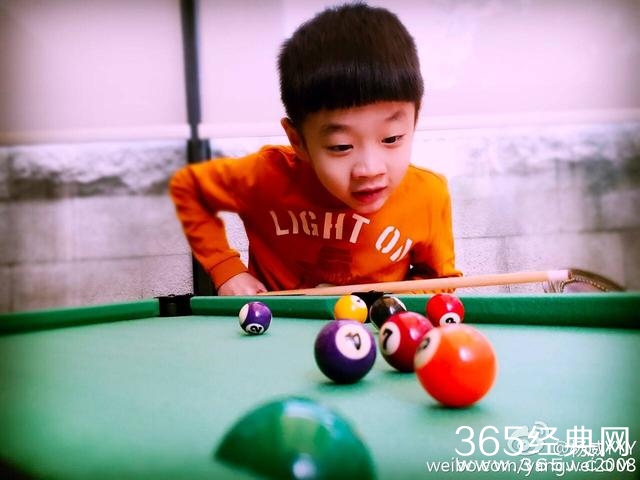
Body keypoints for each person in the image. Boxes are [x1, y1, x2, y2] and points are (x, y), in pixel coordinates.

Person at [170, 2, 461, 295]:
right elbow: (189, 186)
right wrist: (227, 270)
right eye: (341, 146)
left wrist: (387, 302)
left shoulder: (428, 196)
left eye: (391, 139)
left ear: (415, 120)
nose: (370, 169)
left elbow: (439, 282)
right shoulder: (267, 175)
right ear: (298, 142)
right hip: (275, 322)